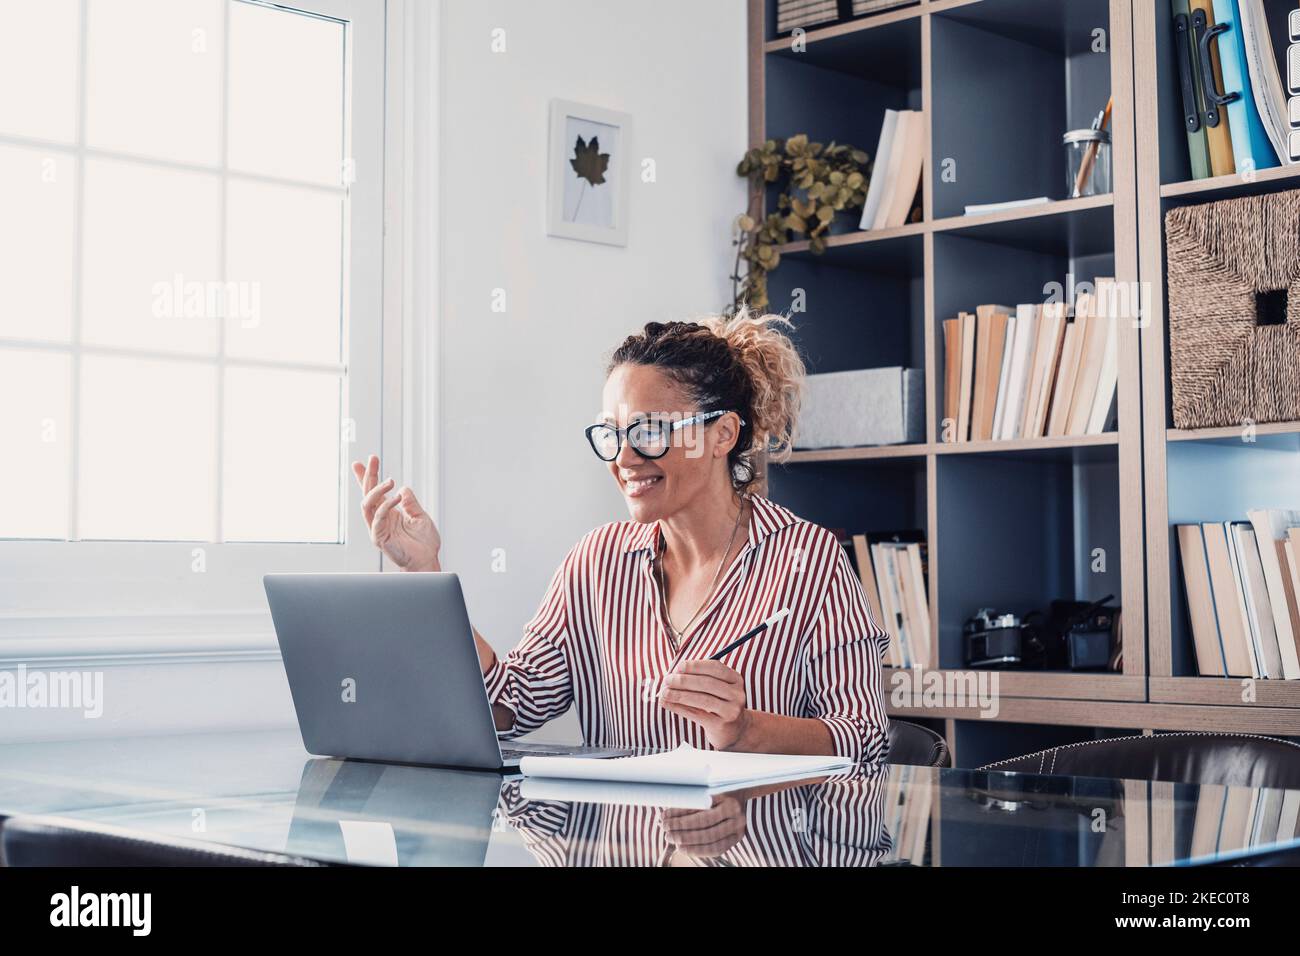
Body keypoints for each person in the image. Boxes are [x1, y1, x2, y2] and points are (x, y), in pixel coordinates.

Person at [351, 308, 889, 763]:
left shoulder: (806, 559)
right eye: (612, 434)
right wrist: (424, 573)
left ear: (723, 433)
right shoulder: (597, 562)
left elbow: (865, 738)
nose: (625, 458)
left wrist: (745, 730)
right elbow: (508, 705)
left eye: (650, 432)